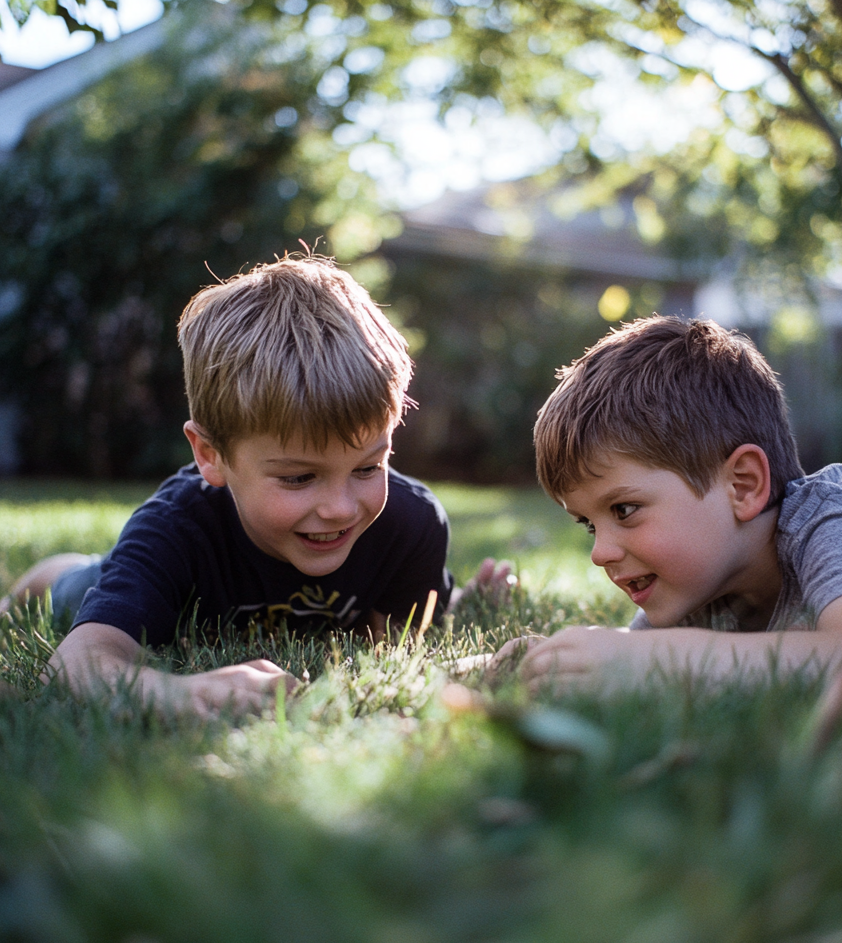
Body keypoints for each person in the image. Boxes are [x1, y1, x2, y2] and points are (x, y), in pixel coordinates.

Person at [40, 254, 507, 715]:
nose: (341, 508)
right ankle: (44, 575)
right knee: (75, 588)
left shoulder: (411, 524)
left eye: (367, 468)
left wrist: (458, 604)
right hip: (106, 582)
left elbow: (396, 647)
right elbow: (74, 664)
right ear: (211, 455)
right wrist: (178, 693)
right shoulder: (176, 529)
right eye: (299, 477)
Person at [501, 314, 842, 695]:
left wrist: (647, 660)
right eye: (589, 525)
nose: (600, 552)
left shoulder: (839, 518)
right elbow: (632, 659)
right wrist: (549, 662)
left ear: (743, 485)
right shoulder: (696, 588)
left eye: (624, 510)